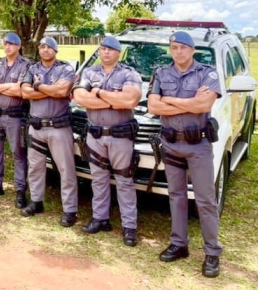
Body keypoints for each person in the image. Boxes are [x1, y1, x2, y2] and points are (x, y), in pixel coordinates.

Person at [147, 31, 222, 278]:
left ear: (192, 49)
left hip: (198, 145)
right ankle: (179, 244)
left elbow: (204, 106)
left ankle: (212, 252)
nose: (178, 52)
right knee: (176, 196)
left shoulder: (207, 73)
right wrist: (186, 101)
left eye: (183, 47)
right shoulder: (161, 72)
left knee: (205, 201)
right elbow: (152, 106)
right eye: (174, 47)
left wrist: (168, 99)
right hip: (170, 143)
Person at [72, 36, 142, 247]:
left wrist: (100, 93)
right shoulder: (89, 72)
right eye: (102, 49)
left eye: (110, 49)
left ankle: (129, 227)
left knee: (124, 180)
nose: (106, 53)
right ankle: (100, 218)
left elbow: (129, 100)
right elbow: (79, 97)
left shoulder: (129, 73)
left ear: (118, 53)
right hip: (94, 135)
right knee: (98, 179)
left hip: (120, 136)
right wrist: (113, 100)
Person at [20, 37, 78, 226]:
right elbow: (25, 93)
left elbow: (63, 92)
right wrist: (49, 89)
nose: (45, 50)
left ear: (56, 50)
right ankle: (36, 202)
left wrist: (38, 86)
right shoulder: (32, 69)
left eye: (49, 47)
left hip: (58, 127)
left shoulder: (66, 68)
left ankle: (69, 210)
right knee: (35, 166)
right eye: (42, 47)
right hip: (36, 126)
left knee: (65, 170)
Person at [0, 33, 30, 202]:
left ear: (18, 46)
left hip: (15, 116)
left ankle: (20, 190)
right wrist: (9, 85)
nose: (7, 46)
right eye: (5, 43)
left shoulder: (25, 65)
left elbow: (21, 91)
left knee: (18, 152)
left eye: (11, 44)